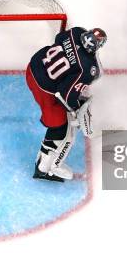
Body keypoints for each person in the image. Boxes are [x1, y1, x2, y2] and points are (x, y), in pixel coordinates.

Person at [26, 26, 107, 181]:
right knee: (60, 128)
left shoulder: (75, 32)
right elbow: (66, 95)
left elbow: (59, 38)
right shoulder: (87, 68)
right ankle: (44, 168)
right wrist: (77, 109)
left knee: (63, 123)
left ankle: (44, 164)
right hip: (43, 88)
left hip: (33, 67)